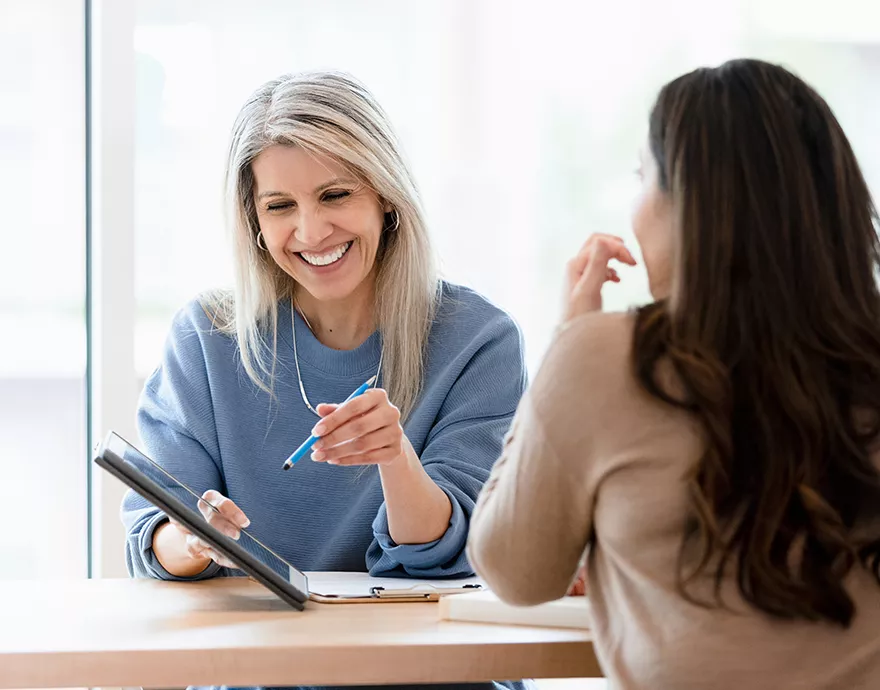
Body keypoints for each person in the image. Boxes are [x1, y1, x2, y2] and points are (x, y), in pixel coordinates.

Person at [468, 58, 880, 689]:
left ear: (692, 203)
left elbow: (516, 572)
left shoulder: (606, 358)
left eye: (643, 176)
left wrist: (567, 343)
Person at [121, 71, 527, 690]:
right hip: (259, 675)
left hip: (430, 679)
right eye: (280, 206)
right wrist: (197, 540)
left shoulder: (477, 338)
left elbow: (450, 556)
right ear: (254, 223)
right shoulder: (207, 336)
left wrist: (396, 459)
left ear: (385, 196)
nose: (311, 233)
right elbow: (152, 542)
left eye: (335, 195)